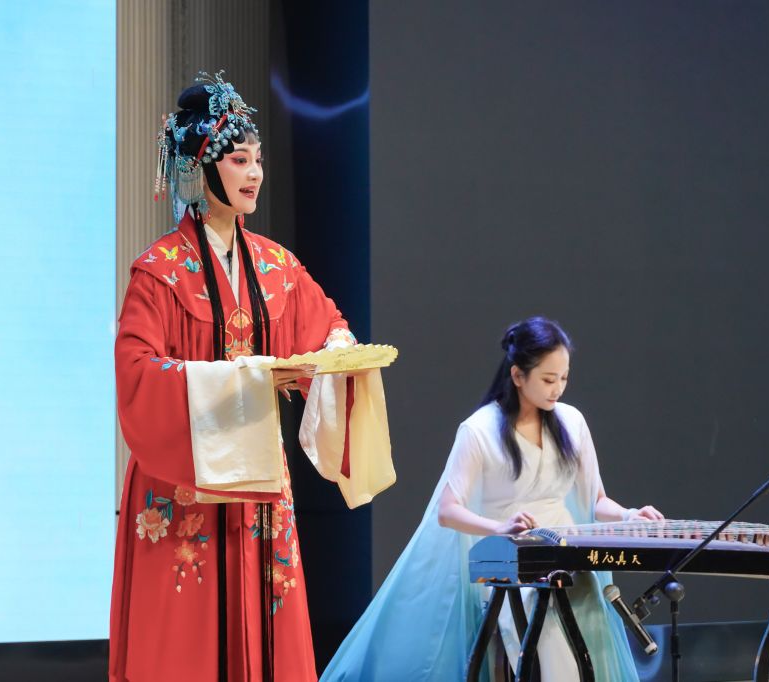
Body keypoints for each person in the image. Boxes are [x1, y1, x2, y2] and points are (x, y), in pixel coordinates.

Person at [109, 71, 394, 682]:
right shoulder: (158, 272)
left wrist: (331, 358)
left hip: (260, 483)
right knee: (182, 638)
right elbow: (136, 373)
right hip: (183, 482)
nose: (255, 173)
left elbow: (329, 327)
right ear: (201, 168)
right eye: (239, 160)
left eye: (258, 160)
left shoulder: (276, 266)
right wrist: (250, 376)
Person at [321, 316, 662, 681]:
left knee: (591, 624)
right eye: (548, 379)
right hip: (513, 565)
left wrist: (628, 515)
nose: (558, 389)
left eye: (564, 378)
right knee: (546, 624)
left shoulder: (572, 422)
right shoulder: (479, 429)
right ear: (518, 375)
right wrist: (500, 527)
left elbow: (595, 500)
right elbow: (448, 511)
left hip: (566, 555)